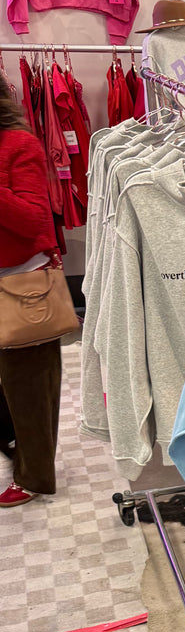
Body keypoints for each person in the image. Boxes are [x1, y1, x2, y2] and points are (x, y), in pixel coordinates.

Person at [0, 76, 62, 506]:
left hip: (20, 284)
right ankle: (13, 443)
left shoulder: (20, 145)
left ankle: (34, 475)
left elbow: (33, 219)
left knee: (30, 389)